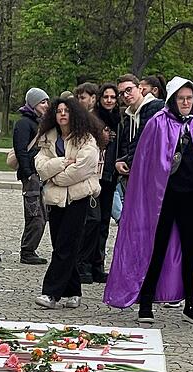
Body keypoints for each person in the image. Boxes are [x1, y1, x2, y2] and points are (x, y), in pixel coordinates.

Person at [104, 77, 193, 324]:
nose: (186, 102)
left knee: (191, 250)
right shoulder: (158, 123)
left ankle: (191, 303)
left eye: (189, 98)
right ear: (173, 100)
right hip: (162, 199)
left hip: (191, 198)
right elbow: (146, 160)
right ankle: (146, 302)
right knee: (156, 248)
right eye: (181, 98)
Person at [33, 96, 101, 309]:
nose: (62, 114)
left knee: (65, 245)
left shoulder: (86, 139)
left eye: (66, 111)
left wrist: (56, 176)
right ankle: (74, 290)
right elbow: (41, 166)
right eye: (58, 111)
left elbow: (83, 168)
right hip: (55, 199)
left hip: (78, 198)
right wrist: (62, 163)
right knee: (61, 244)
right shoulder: (48, 138)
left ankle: (51, 293)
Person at [75, 82, 109, 283]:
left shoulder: (96, 118)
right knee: (89, 221)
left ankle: (94, 264)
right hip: (85, 176)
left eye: (84, 97)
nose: (81, 101)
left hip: (100, 175)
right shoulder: (78, 118)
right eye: (79, 97)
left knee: (98, 222)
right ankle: (82, 264)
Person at [13, 87, 49, 265]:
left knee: (42, 215)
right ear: (34, 104)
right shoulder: (24, 124)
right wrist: (28, 174)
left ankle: (29, 249)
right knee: (35, 215)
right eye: (42, 102)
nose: (46, 105)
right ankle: (27, 250)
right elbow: (21, 150)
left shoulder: (40, 122)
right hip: (31, 175)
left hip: (40, 174)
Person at [114, 74, 163, 183]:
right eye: (121, 93)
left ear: (140, 88)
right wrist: (121, 162)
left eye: (129, 90)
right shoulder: (128, 117)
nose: (126, 95)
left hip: (157, 175)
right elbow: (134, 148)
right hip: (137, 176)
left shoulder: (159, 108)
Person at [95, 82, 121, 274]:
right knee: (93, 222)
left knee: (104, 222)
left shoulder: (119, 119)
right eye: (106, 97)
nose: (109, 101)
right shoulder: (94, 118)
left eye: (112, 97)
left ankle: (98, 263)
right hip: (96, 174)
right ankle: (87, 263)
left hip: (111, 175)